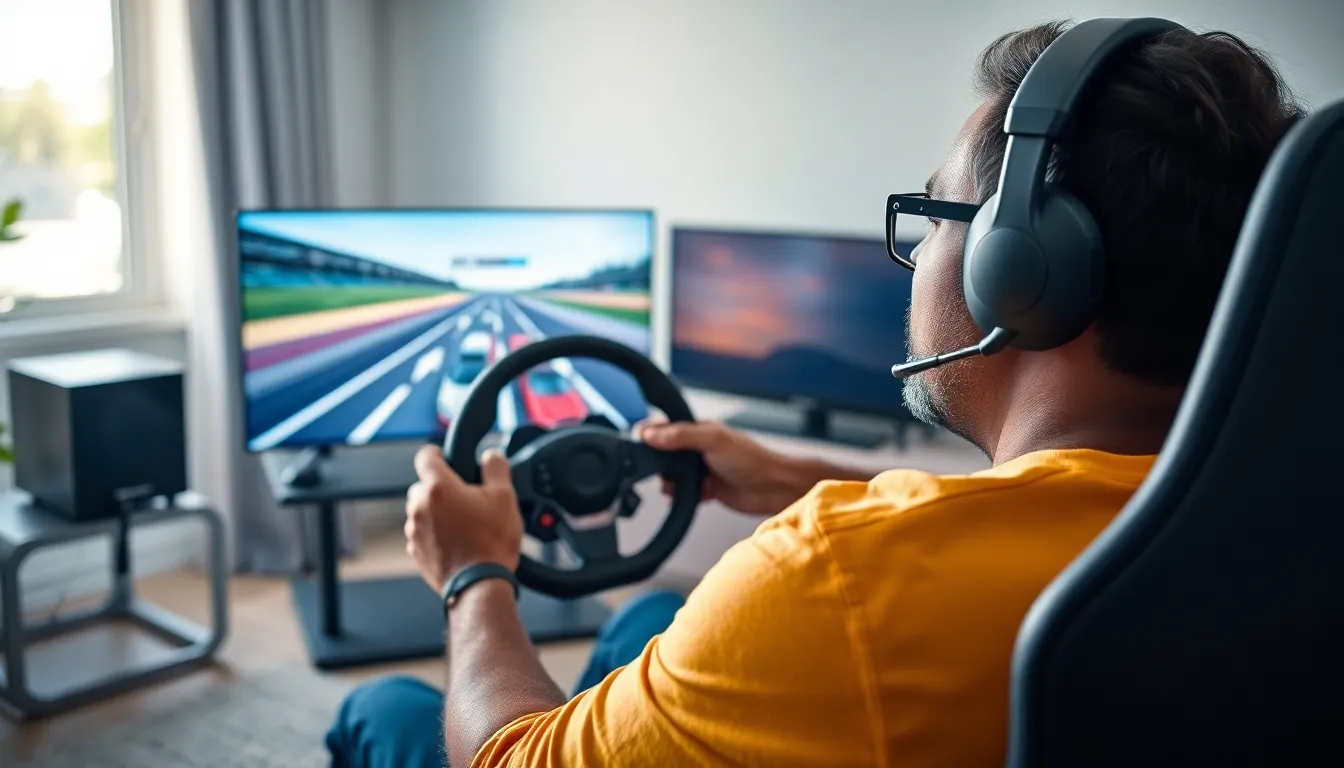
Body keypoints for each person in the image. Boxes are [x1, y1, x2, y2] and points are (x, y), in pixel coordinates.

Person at [325, 19, 1306, 768]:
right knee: (644, 619)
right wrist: (798, 477)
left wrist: (474, 572)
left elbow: (506, 758)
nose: (918, 257)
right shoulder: (1283, 513)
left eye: (936, 216)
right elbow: (1011, 532)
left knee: (388, 709)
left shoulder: (833, 582)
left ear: (1024, 270)